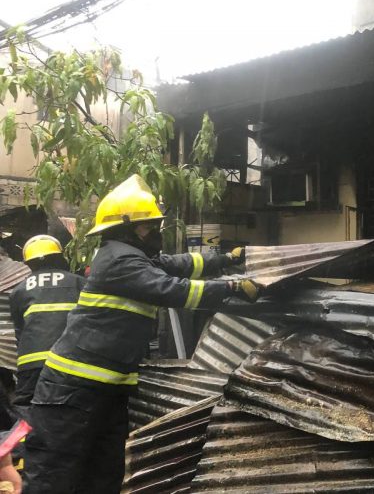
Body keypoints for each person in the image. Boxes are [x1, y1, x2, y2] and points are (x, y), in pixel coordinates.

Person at [23, 175, 258, 493]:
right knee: (53, 477)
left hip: (106, 391)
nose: (156, 232)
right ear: (126, 227)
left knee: (103, 476)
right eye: (149, 226)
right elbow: (172, 289)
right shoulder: (119, 260)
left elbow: (177, 264)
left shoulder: (132, 256)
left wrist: (225, 259)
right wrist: (231, 288)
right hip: (73, 392)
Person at [10, 235, 85, 411]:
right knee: (73, 411)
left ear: (29, 263)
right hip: (71, 362)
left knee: (28, 412)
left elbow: (19, 332)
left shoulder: (19, 290)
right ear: (60, 256)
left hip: (32, 365)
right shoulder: (79, 282)